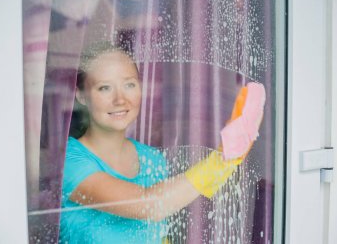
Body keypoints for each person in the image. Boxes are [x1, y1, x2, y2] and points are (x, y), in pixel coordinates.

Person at [60, 42, 265, 243]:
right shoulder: (69, 161)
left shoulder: (152, 159)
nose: (120, 99)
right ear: (81, 96)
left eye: (129, 84)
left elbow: (158, 234)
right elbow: (150, 206)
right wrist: (222, 161)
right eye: (104, 88)